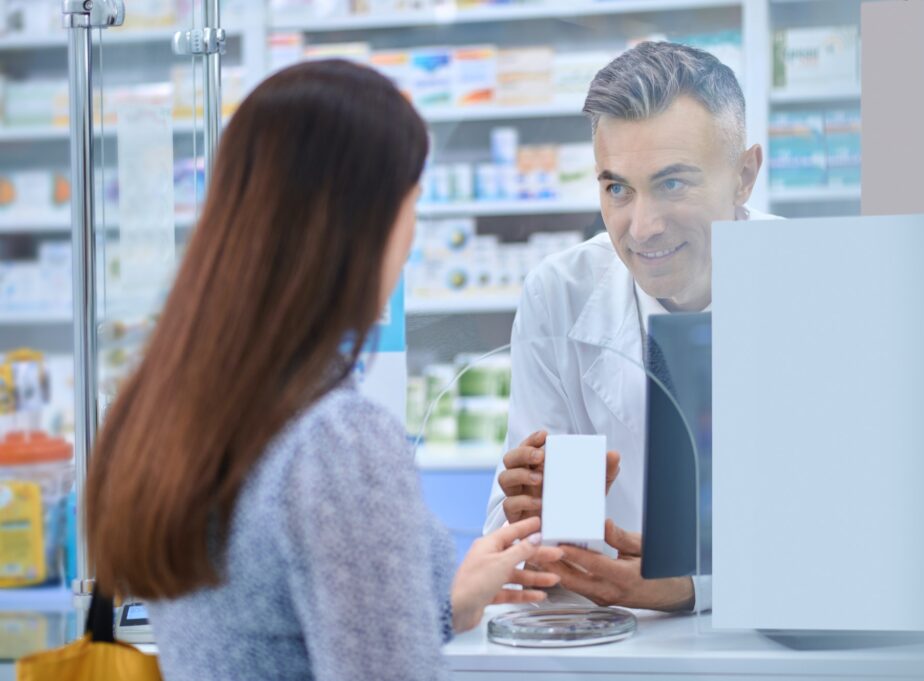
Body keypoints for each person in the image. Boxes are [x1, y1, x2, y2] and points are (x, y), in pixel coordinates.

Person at [85, 60, 563, 681]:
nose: (412, 235)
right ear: (361, 223)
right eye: (411, 203)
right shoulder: (337, 443)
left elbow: (269, 630)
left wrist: (440, 606)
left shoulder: (174, 409)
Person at [484, 42, 781, 611]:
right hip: (616, 644)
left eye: (673, 184)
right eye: (617, 188)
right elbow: (515, 548)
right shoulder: (559, 294)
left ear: (744, 176)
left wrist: (695, 587)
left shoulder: (815, 283)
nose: (641, 228)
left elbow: (856, 536)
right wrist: (531, 514)